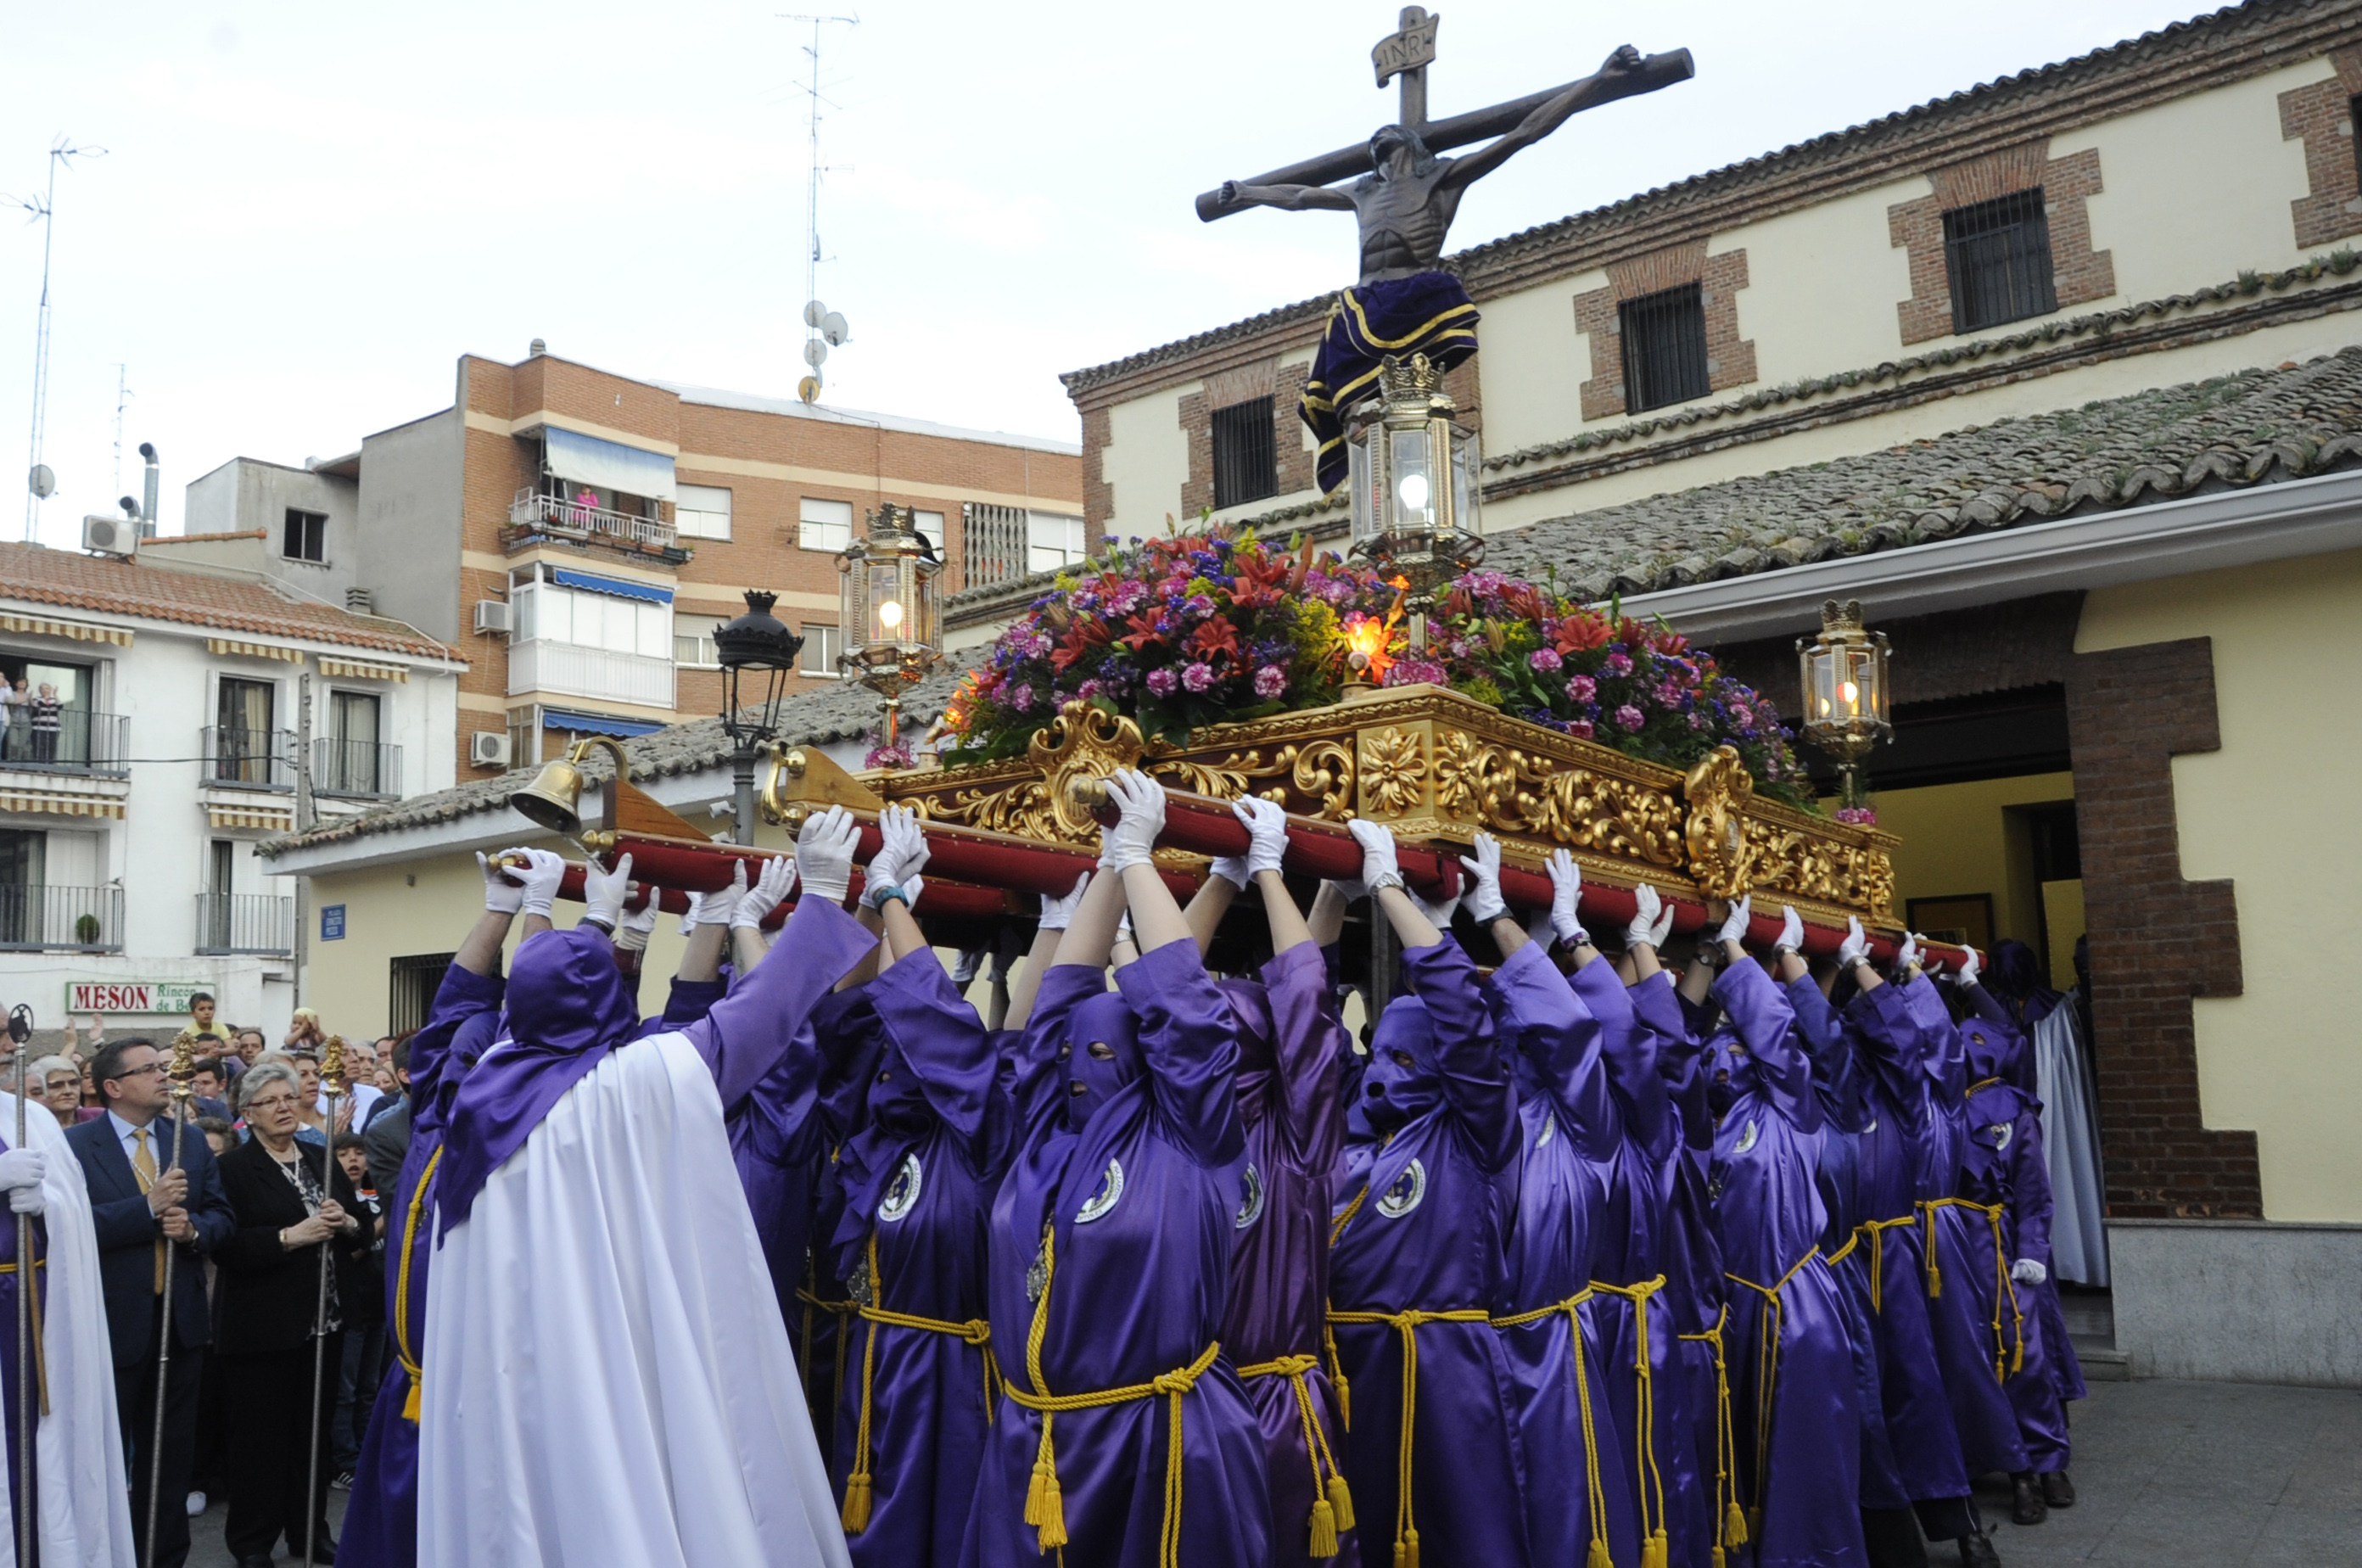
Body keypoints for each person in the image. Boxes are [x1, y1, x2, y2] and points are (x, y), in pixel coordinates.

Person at [420, 821, 870, 1568]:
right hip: (608, 1367)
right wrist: (821, 895)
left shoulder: (483, 1086)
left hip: (509, 1381)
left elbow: (500, 1013)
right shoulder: (631, 1083)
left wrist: (587, 921)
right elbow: (755, 1025)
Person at [964, 770, 1270, 1568]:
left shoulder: (1190, 1135)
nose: (1076, 1071)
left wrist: (1141, 859)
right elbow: (1054, 1007)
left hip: (1153, 1443)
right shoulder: (1040, 1135)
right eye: (1071, 1056)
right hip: (1033, 1437)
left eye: (1102, 1055)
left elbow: (1188, 1015)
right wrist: (1105, 863)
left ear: (1145, 1066)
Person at [1326, 817, 1531, 1568]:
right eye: (1380, 1053)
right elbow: (1311, 1036)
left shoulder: (1475, 1131)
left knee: (1458, 1533)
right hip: (1342, 1368)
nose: (1386, 1073)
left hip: (1442, 1369)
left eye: (1410, 1058)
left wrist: (1388, 891)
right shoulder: (1346, 1133)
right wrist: (1326, 901)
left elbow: (1469, 1027)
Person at [821, 808, 1009, 1565]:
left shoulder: (983, 1130)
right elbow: (840, 1021)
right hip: (875, 1370)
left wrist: (897, 897)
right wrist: (869, 901)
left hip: (952, 1377)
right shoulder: (872, 1140)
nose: (895, 1065)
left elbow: (944, 1029)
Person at [342, 854, 521, 1568]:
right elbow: (455, 1003)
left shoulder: (519, 1141)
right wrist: (501, 907)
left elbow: (530, 1023)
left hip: (481, 1398)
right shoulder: (426, 1123)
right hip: (415, 1384)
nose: (453, 1073)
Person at [1696, 897, 1866, 1568]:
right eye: (1720, 1051)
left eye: (1740, 1051)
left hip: (1794, 1313)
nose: (1725, 1063)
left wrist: (1740, 954)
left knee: (1804, 1461)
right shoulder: (1702, 1124)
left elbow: (1781, 1035)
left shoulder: (1793, 1107)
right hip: (1724, 1316)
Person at [65, 1037, 236, 1568]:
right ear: (113, 1086)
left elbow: (222, 1218)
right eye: (148, 1070)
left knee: (169, 1456)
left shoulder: (185, 1140)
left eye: (163, 1067)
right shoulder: (75, 1146)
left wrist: (193, 1231)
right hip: (110, 1324)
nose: (164, 1076)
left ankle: (163, 1557)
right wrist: (146, 1209)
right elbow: (69, 1229)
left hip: (178, 1325)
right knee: (106, 1455)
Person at [213, 1061, 371, 1567]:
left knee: (313, 1436)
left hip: (325, 1322)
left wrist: (346, 1221)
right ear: (248, 1113)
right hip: (263, 1324)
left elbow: (364, 1228)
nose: (283, 1107)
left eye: (288, 1098)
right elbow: (225, 1245)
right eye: (269, 1102)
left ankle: (310, 1532)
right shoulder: (232, 1170)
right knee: (260, 1440)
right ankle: (253, 1541)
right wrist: (288, 1237)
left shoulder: (320, 1157)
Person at [0, 1078, 141, 1565]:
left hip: (36, 1306)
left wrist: (47, 1206)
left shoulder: (28, 1118)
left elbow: (75, 1209)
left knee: (46, 1450)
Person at [328, 1132, 386, 1493]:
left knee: (370, 1386)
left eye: (360, 1153)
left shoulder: (376, 1195)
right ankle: (343, 1460)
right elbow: (348, 1253)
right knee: (345, 1389)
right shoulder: (336, 1201)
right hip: (350, 1305)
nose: (353, 1160)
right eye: (344, 1153)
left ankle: (367, 1451)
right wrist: (377, 1225)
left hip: (379, 1300)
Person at [27, 1055, 81, 1129]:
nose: (68, 1091)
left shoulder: (95, 1117)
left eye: (73, 1083)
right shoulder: (28, 1127)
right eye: (56, 1086)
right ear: (38, 1091)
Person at [27, 683, 59, 765]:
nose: (44, 690)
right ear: (40, 691)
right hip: (39, 728)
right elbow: (35, 705)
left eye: (46, 688)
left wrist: (55, 694)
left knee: (51, 748)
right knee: (38, 748)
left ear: (50, 690)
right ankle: (40, 767)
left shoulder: (54, 699)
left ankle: (49, 767)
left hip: (53, 729)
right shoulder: (37, 699)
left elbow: (60, 705)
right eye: (42, 689)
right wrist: (31, 698)